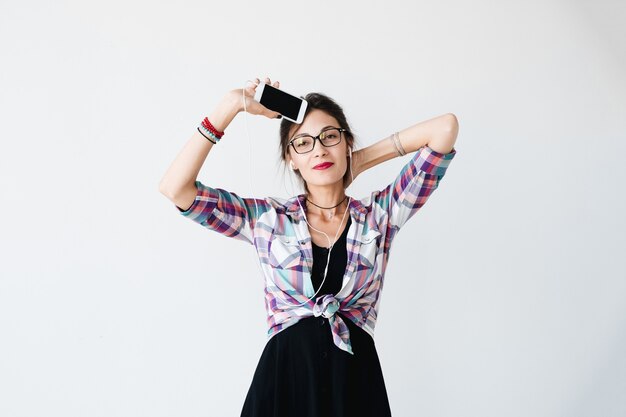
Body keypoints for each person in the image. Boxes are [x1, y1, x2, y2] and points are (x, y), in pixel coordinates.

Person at [159, 77, 459, 417]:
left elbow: (445, 129)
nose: (318, 149)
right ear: (291, 159)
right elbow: (176, 188)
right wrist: (229, 106)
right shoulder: (267, 219)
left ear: (346, 142)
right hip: (283, 384)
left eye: (329, 137)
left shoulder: (380, 216)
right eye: (303, 143)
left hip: (355, 387)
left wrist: (359, 160)